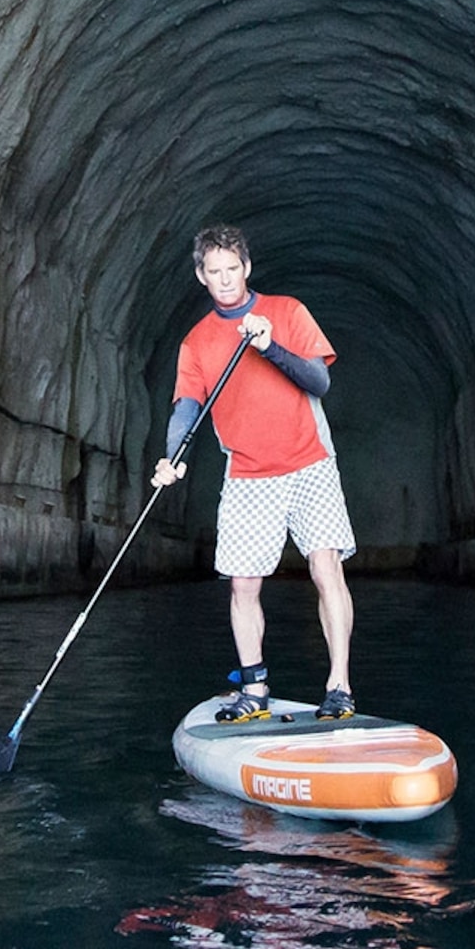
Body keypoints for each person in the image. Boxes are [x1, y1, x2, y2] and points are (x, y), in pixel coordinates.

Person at [150, 224, 359, 723]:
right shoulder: (197, 341)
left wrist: (269, 346)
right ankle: (255, 688)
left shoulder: (287, 312)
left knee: (325, 568)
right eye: (214, 272)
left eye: (232, 270)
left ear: (247, 267)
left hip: (310, 462)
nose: (225, 280)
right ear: (201, 276)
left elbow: (319, 380)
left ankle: (339, 687)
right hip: (247, 472)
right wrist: (171, 456)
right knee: (243, 585)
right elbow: (186, 406)